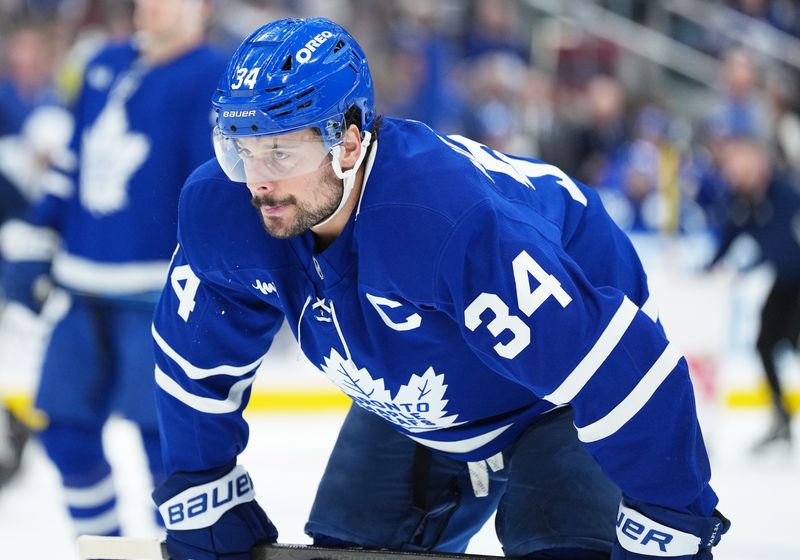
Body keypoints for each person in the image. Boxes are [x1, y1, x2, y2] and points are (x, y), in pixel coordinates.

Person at [151, 17, 729, 560]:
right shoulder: (224, 208)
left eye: (280, 149)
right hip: (416, 400)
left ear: (348, 143)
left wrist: (670, 518)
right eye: (242, 148)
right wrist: (202, 485)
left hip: (556, 403)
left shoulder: (447, 221)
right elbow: (192, 359)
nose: (258, 179)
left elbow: (623, 372)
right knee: (347, 548)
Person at [0, 0, 227, 537]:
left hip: (158, 297)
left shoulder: (213, 75)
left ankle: (174, 549)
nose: (147, 5)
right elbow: (76, 162)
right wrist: (38, 235)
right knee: (66, 432)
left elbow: (212, 185)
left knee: (166, 447)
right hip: (82, 286)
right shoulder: (105, 61)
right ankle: (103, 548)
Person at [706, 135, 800, 451]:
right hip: (786, 282)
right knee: (765, 343)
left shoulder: (784, 194)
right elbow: (731, 238)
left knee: (785, 340)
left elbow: (785, 247)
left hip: (796, 280)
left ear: (757, 160)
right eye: (729, 163)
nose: (732, 170)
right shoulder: (742, 200)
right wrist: (709, 269)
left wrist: (746, 267)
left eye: (738, 161)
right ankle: (781, 418)